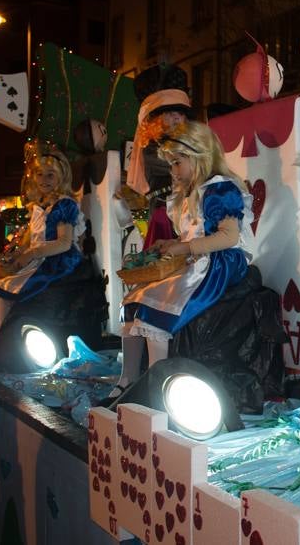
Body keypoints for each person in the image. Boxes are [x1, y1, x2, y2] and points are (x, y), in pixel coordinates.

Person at [109, 121, 254, 398]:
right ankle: (127, 379)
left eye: (177, 163)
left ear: (198, 156)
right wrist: (174, 244)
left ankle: (156, 384)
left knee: (156, 306)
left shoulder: (219, 189)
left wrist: (185, 249)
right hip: (196, 257)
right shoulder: (190, 192)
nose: (173, 171)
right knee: (133, 300)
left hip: (218, 262)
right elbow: (193, 234)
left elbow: (228, 237)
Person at [0, 146, 84, 339]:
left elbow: (64, 242)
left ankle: (3, 341)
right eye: (40, 174)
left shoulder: (64, 204)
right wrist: (17, 253)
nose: (44, 180)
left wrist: (31, 253)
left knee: (7, 289)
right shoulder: (39, 205)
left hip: (56, 259)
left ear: (61, 177)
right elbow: (30, 239)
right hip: (38, 257)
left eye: (50, 175)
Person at [127, 63, 194, 248]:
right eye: (170, 113)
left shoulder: (184, 143)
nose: (177, 118)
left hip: (187, 209)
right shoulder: (151, 147)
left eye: (180, 113)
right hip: (164, 213)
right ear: (155, 119)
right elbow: (182, 166)